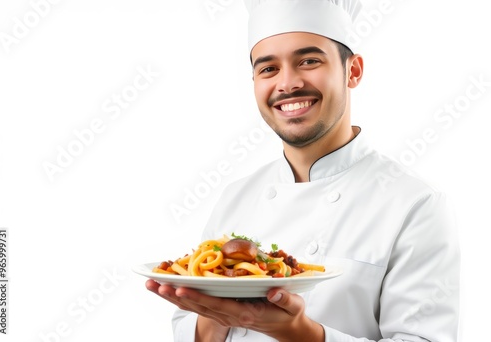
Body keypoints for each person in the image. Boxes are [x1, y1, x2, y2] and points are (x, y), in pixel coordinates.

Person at [145, 0, 461, 340]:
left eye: (309, 61)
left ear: (352, 71)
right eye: (268, 69)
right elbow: (192, 330)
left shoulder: (414, 203)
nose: (288, 83)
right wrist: (214, 314)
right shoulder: (236, 197)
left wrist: (299, 332)